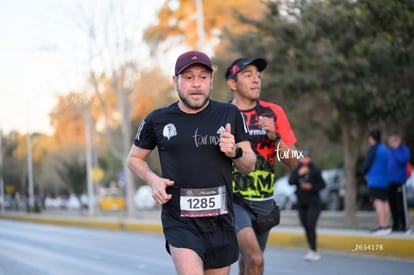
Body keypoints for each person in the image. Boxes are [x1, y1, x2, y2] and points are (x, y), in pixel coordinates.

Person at [127, 50, 257, 275]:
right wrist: (153, 180)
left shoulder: (230, 113)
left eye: (202, 77)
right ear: (175, 81)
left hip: (221, 221)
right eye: (188, 77)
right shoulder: (158, 119)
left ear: (211, 81)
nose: (196, 84)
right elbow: (134, 159)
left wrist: (235, 151)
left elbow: (249, 164)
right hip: (180, 220)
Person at [224, 57, 297, 274]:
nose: (256, 80)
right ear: (232, 83)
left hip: (265, 202)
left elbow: (295, 161)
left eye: (258, 75)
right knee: (255, 258)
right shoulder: (222, 114)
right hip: (235, 199)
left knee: (250, 263)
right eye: (248, 75)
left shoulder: (273, 112)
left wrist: (275, 137)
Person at [288, 150, 326, 261]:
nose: (304, 159)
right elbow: (290, 182)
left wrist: (311, 186)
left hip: (314, 203)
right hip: (301, 203)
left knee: (310, 225)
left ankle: (314, 251)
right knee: (306, 226)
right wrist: (299, 174)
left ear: (310, 159)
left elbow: (322, 184)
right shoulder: (297, 170)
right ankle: (312, 249)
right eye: (302, 157)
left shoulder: (315, 170)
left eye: (306, 157)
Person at [361, 129, 391, 236]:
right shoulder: (385, 149)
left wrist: (363, 173)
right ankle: (387, 225)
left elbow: (367, 164)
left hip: (375, 180)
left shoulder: (374, 149)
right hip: (385, 180)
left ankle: (382, 226)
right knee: (385, 202)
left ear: (372, 138)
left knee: (378, 202)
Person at [387, 133, 411, 233]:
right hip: (389, 182)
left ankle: (404, 225)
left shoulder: (403, 150)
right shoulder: (390, 152)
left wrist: (396, 149)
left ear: (397, 141)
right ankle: (396, 224)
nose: (390, 143)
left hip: (399, 182)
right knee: (393, 205)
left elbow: (403, 160)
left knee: (401, 204)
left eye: (392, 141)